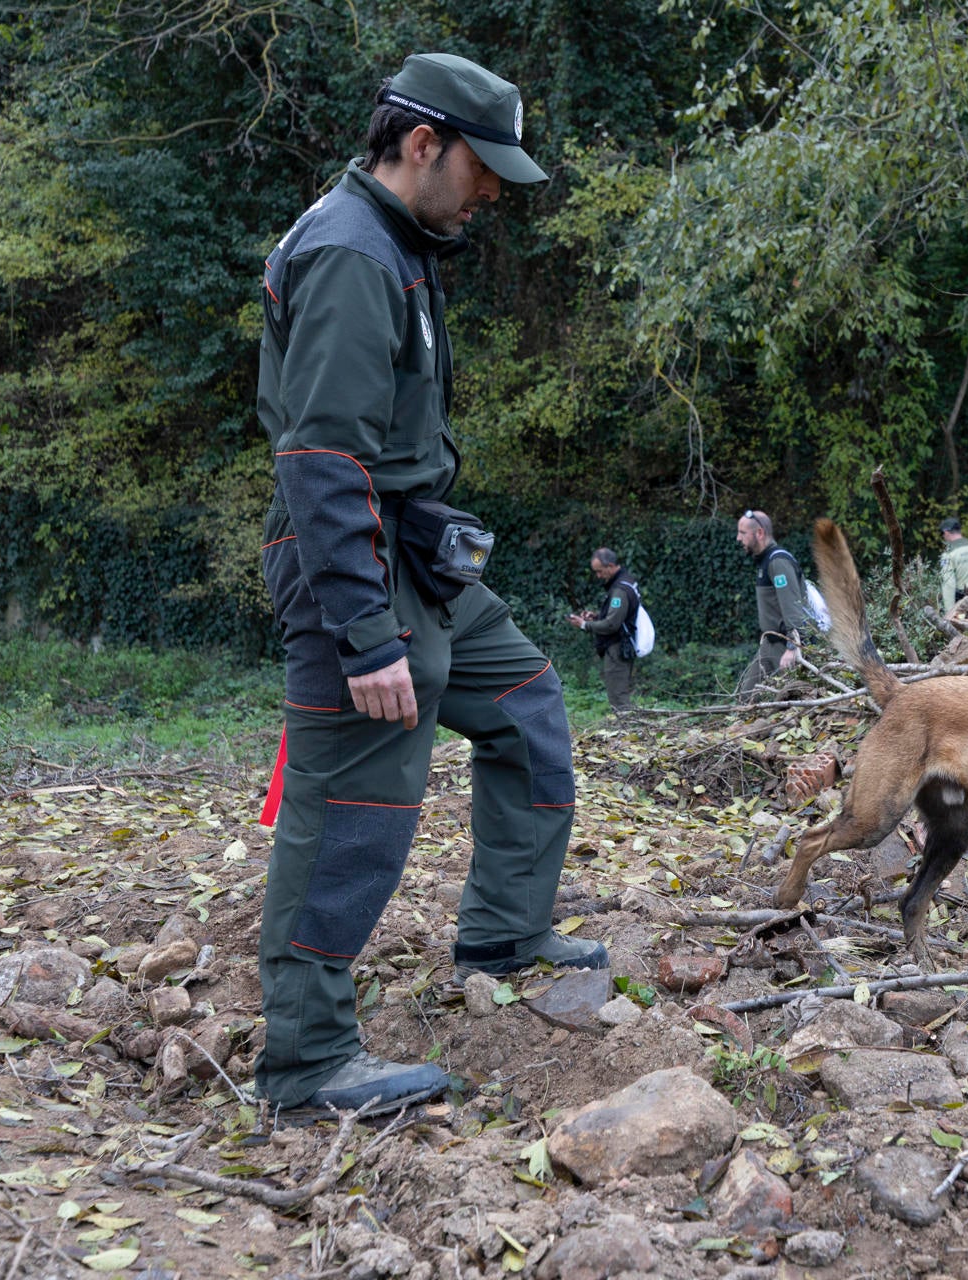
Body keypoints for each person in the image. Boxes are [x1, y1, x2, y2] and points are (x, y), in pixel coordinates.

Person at [255, 53, 603, 1114]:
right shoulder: (353, 256)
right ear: (421, 145)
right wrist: (364, 634)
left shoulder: (400, 244)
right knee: (355, 801)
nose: (493, 190)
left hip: (417, 554)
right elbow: (321, 458)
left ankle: (501, 930)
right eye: (482, 167)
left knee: (525, 703)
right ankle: (307, 1063)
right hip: (352, 566)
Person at [735, 510, 811, 700]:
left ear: (759, 533)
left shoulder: (778, 562)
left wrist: (793, 647)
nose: (738, 538)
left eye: (743, 533)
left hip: (784, 646)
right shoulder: (765, 562)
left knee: (790, 701)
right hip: (770, 644)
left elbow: (793, 606)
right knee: (746, 697)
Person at [570, 548, 639, 713]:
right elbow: (620, 616)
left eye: (600, 571)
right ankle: (628, 731)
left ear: (610, 566)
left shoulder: (620, 590)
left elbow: (612, 624)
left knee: (618, 695)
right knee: (618, 692)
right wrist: (596, 616)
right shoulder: (626, 581)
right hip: (621, 644)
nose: (598, 576)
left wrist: (584, 625)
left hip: (617, 647)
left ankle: (630, 732)